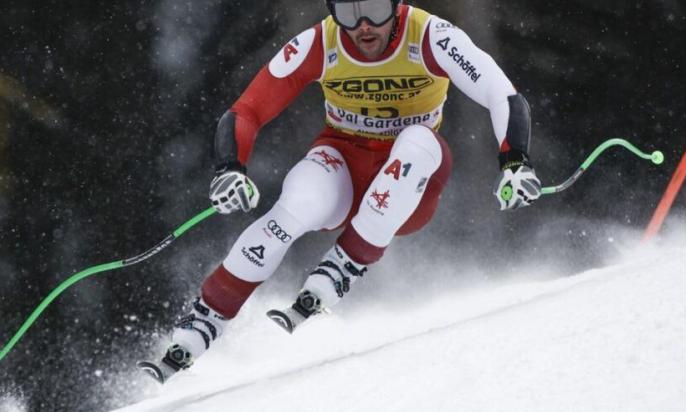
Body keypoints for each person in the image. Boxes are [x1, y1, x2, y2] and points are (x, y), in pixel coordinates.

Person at [138, 0, 542, 383]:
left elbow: (500, 93)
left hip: (410, 184)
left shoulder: (431, 36)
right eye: (348, 12)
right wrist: (230, 168)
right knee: (297, 202)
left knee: (418, 139)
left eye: (375, 10)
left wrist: (515, 163)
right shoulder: (321, 41)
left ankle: (346, 262)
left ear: (397, 6)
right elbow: (247, 110)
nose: (363, 25)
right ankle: (206, 316)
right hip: (343, 166)